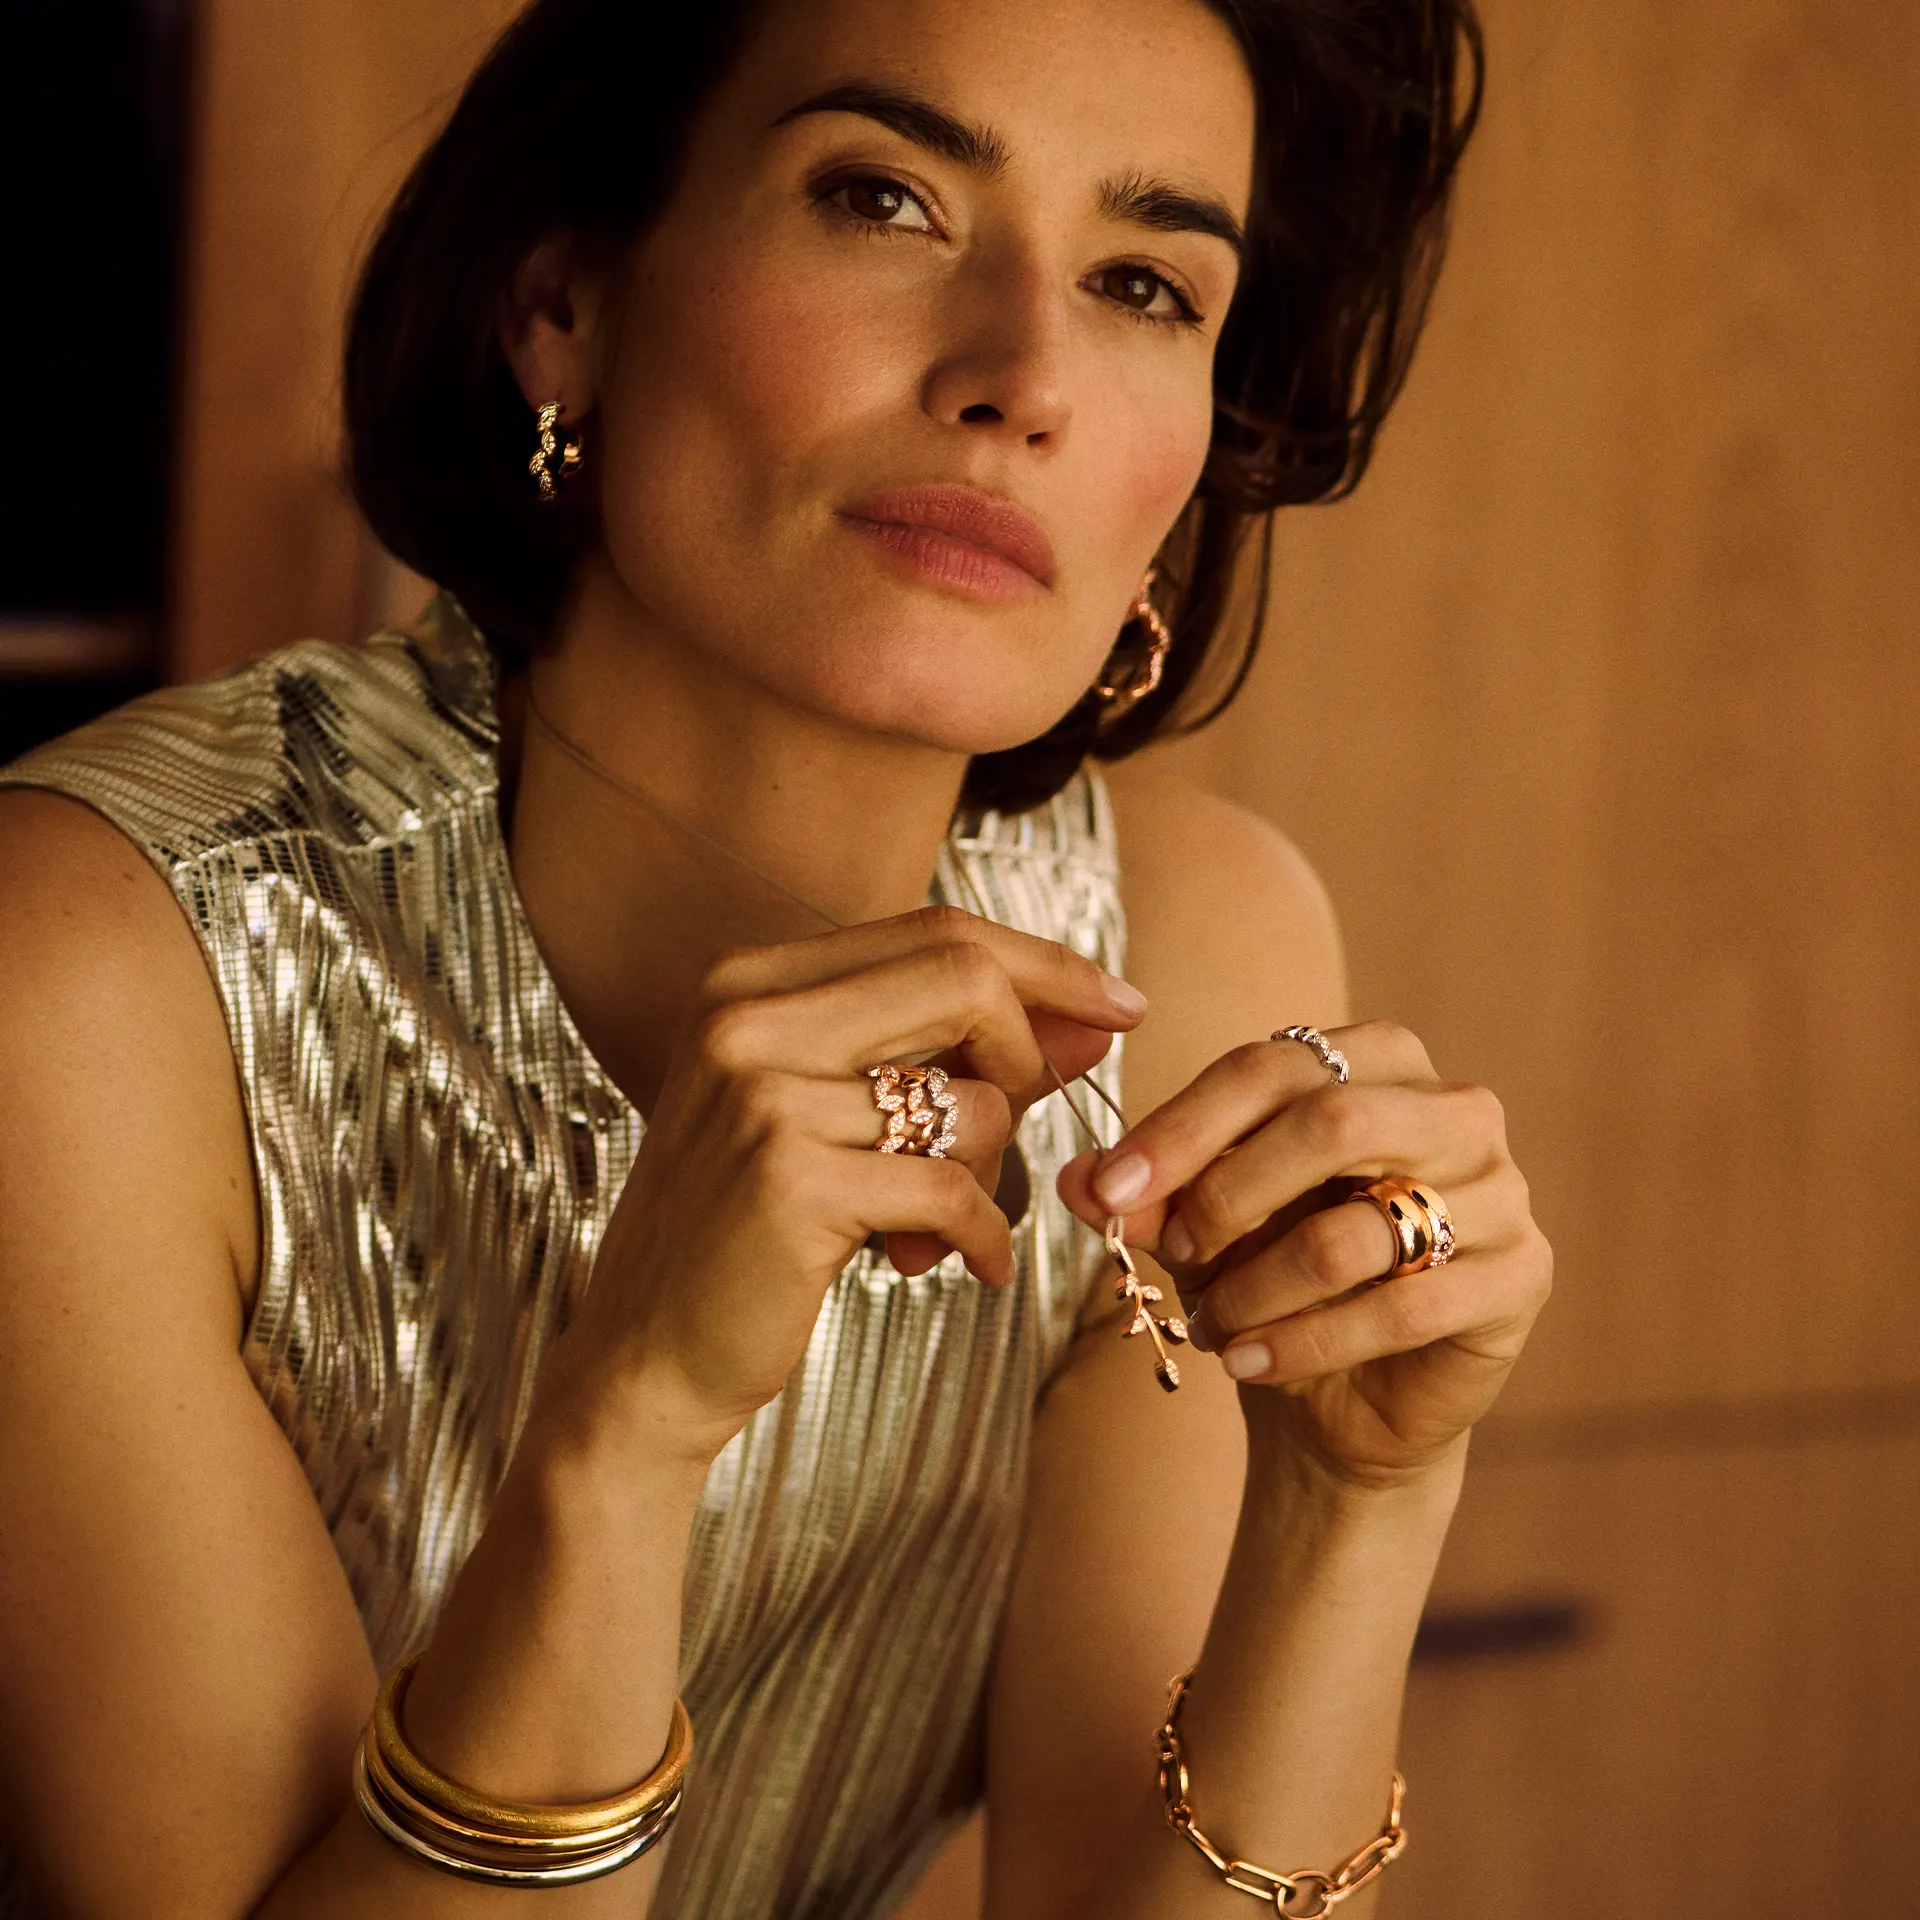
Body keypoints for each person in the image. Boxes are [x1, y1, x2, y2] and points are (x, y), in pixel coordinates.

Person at [0, 0, 1551, 1913]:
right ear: (564, 302)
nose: (1024, 376)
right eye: (883, 198)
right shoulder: (92, 970)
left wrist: (1357, 1511)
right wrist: (629, 1430)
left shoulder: (1184, 957)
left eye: (1145, 284)